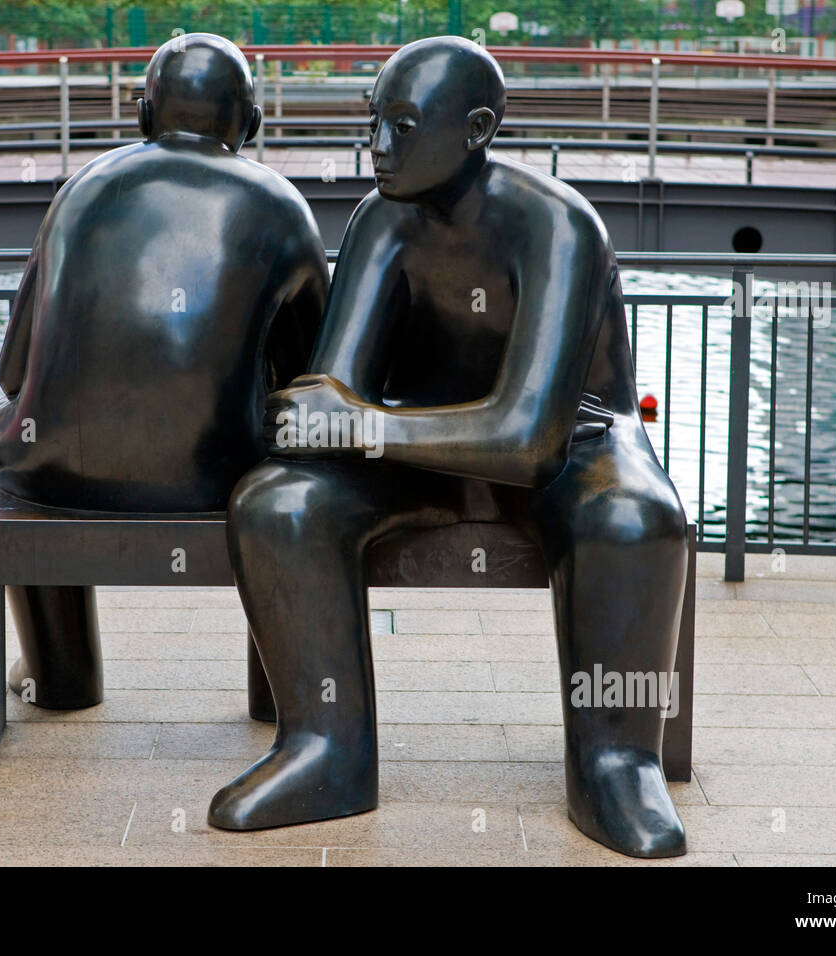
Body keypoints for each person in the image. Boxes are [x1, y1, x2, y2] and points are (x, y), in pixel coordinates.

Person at [208, 36, 689, 858]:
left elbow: (530, 443)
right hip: (422, 441)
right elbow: (328, 408)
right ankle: (325, 749)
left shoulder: (558, 226)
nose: (379, 147)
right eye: (373, 125)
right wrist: (362, 424)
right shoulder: (381, 221)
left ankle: (615, 759)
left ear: (476, 129)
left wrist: (366, 424)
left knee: (634, 522)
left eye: (401, 126)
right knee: (279, 501)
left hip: (579, 445)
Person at [0, 33, 328, 710]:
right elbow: (315, 384)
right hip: (224, 479)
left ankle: (61, 673)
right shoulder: (281, 206)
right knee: (295, 458)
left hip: (60, 469)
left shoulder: (79, 193)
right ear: (249, 125)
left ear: (143, 113)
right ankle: (276, 690)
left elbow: (10, 371)